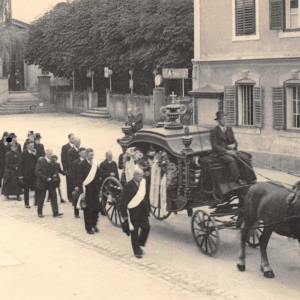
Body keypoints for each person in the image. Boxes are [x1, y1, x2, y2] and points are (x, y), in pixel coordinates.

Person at [210, 111, 257, 186]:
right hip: (220, 153)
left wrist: (233, 145)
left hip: (231, 151)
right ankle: (238, 180)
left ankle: (251, 179)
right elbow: (214, 146)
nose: (225, 121)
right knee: (231, 160)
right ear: (218, 121)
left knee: (245, 157)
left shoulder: (229, 129)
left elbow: (234, 141)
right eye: (222, 119)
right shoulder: (214, 131)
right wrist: (226, 151)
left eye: (226, 119)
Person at [119, 167, 151, 259]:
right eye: (140, 176)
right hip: (133, 212)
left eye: (142, 176)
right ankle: (137, 251)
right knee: (134, 232)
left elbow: (146, 197)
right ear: (135, 175)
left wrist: (148, 209)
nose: (141, 178)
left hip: (143, 211)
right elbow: (123, 201)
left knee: (146, 227)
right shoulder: (128, 185)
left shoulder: (143, 183)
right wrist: (124, 215)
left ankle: (140, 244)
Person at [76, 148, 101, 234]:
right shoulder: (81, 164)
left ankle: (94, 224)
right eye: (90, 155)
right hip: (87, 190)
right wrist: (82, 192)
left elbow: (98, 177)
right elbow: (79, 179)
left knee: (97, 208)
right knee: (88, 210)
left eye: (92, 155)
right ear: (86, 155)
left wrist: (99, 189)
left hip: (95, 190)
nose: (92, 156)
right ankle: (89, 228)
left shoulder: (95, 163)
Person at [35, 148, 63, 218]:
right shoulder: (41, 160)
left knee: (54, 196)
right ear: (46, 153)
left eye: (51, 153)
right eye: (49, 153)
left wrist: (55, 175)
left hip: (51, 182)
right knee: (42, 197)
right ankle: (40, 212)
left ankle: (55, 212)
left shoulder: (53, 160)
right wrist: (45, 178)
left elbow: (55, 170)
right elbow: (37, 172)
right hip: (43, 182)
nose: (51, 155)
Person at [18, 140, 37, 208]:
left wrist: (35, 155)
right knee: (26, 189)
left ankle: (36, 202)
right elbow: (20, 165)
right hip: (26, 174)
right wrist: (20, 175)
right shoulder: (23, 153)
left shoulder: (34, 152)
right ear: (27, 146)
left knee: (36, 188)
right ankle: (26, 203)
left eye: (33, 145)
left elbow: (37, 162)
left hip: (34, 174)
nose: (32, 147)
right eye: (31, 145)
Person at [99, 151, 119, 215]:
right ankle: (102, 210)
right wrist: (109, 174)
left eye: (111, 156)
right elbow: (101, 174)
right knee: (105, 196)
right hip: (105, 183)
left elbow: (117, 173)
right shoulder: (103, 164)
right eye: (109, 156)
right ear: (106, 156)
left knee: (115, 195)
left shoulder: (114, 163)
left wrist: (118, 182)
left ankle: (118, 208)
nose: (110, 157)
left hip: (113, 182)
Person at [72, 147, 86, 218]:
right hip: (78, 182)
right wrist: (76, 185)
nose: (84, 154)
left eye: (85, 153)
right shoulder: (76, 162)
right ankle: (76, 212)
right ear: (79, 154)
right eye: (83, 153)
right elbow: (74, 175)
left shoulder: (87, 161)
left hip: (86, 182)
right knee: (76, 197)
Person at [61, 133, 75, 202]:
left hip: (75, 168)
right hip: (68, 168)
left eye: (74, 138)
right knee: (69, 182)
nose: (73, 140)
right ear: (69, 139)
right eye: (72, 138)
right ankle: (70, 197)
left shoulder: (76, 146)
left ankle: (75, 195)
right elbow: (63, 159)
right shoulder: (65, 147)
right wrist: (65, 169)